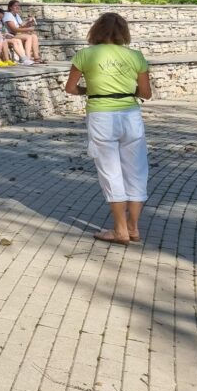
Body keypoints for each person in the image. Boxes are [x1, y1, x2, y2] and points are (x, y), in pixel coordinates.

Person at [64, 13, 152, 245]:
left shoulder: (84, 55)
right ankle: (133, 228)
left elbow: (71, 88)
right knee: (137, 170)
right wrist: (126, 91)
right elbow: (146, 93)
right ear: (123, 32)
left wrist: (89, 91)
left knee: (110, 171)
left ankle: (119, 230)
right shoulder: (135, 56)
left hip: (101, 115)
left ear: (96, 30)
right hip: (130, 116)